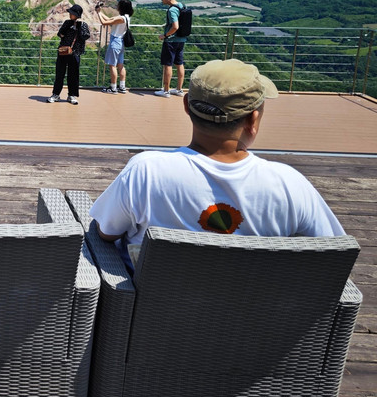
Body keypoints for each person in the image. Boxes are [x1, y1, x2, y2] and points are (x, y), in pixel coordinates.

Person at [89, 59, 344, 263]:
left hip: (150, 319)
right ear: (253, 121)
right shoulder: (290, 185)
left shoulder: (146, 172)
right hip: (259, 323)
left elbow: (106, 232)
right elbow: (334, 254)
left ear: (187, 105)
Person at [47, 4, 91, 105]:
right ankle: (55, 94)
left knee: (73, 75)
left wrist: (78, 28)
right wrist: (68, 28)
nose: (70, 14)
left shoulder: (83, 24)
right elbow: (60, 34)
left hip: (75, 53)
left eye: (72, 13)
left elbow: (86, 36)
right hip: (63, 51)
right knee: (59, 74)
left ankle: (72, 95)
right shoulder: (67, 22)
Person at [96, 0, 133, 94]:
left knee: (112, 65)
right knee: (120, 65)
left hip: (115, 42)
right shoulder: (126, 17)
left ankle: (113, 88)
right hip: (121, 43)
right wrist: (100, 11)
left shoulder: (121, 18)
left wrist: (98, 13)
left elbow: (104, 22)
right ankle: (122, 87)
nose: (117, 6)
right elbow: (109, 19)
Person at [155, 0, 186, 97]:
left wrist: (165, 35)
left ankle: (166, 91)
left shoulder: (172, 10)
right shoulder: (181, 5)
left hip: (171, 41)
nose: (161, 0)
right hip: (181, 40)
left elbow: (175, 26)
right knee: (179, 64)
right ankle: (179, 89)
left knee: (168, 64)